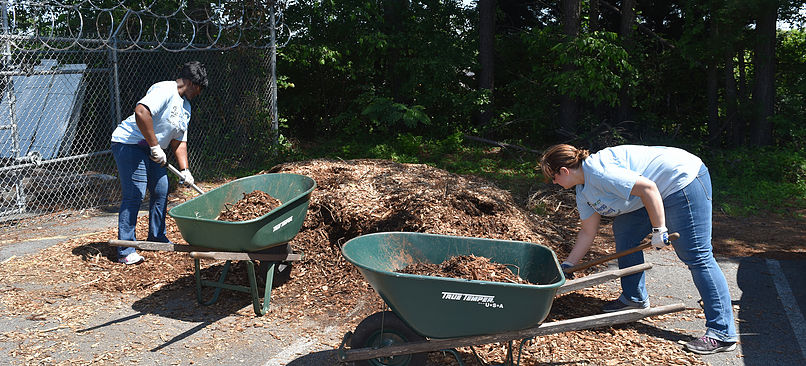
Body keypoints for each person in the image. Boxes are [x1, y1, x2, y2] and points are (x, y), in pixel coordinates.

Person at [540, 144, 737, 355]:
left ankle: (722, 332)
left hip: (681, 180)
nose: (554, 183)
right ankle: (634, 299)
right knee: (625, 231)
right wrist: (568, 266)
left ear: (564, 171)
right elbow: (588, 232)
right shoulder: (583, 190)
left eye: (553, 177)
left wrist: (659, 230)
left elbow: (648, 188)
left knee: (696, 255)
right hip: (652, 193)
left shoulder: (599, 171)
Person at [110, 61, 207, 265]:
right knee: (135, 193)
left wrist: (185, 169)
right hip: (130, 143)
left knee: (161, 189)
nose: (199, 93)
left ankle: (156, 236)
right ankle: (125, 249)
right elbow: (141, 112)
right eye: (199, 88)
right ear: (191, 82)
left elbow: (179, 140)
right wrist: (155, 146)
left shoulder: (185, 106)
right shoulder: (165, 89)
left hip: (152, 148)